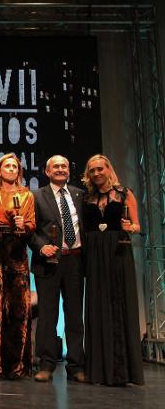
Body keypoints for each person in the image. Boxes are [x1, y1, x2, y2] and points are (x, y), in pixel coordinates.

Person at [81, 154, 144, 386]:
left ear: (109, 169)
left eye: (100, 169)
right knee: (97, 306)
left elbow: (136, 225)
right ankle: (98, 370)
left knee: (118, 304)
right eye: (92, 170)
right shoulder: (87, 197)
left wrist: (131, 226)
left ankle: (120, 370)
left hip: (118, 252)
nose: (96, 173)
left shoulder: (125, 193)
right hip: (95, 256)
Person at [29, 155, 86, 382]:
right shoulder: (35, 196)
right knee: (47, 316)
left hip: (75, 261)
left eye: (64, 166)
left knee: (74, 316)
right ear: (47, 171)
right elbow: (30, 230)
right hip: (48, 263)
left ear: (69, 171)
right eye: (56, 167)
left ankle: (76, 366)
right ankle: (46, 365)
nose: (60, 169)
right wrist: (41, 248)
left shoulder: (80, 195)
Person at [0, 153, 35, 379]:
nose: (11, 169)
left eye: (15, 166)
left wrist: (24, 226)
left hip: (16, 249)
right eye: (7, 166)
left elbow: (32, 225)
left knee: (18, 309)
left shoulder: (27, 195)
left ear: (19, 171)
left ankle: (17, 365)